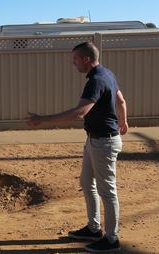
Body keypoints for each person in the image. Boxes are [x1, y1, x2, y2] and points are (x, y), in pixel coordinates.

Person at [27, 41, 128, 253]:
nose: (73, 64)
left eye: (75, 60)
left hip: (104, 142)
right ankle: (93, 228)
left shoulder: (97, 80)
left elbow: (79, 113)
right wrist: (124, 121)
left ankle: (111, 239)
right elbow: (120, 100)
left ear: (86, 59)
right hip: (95, 140)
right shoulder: (106, 74)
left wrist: (42, 119)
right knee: (86, 182)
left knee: (107, 191)